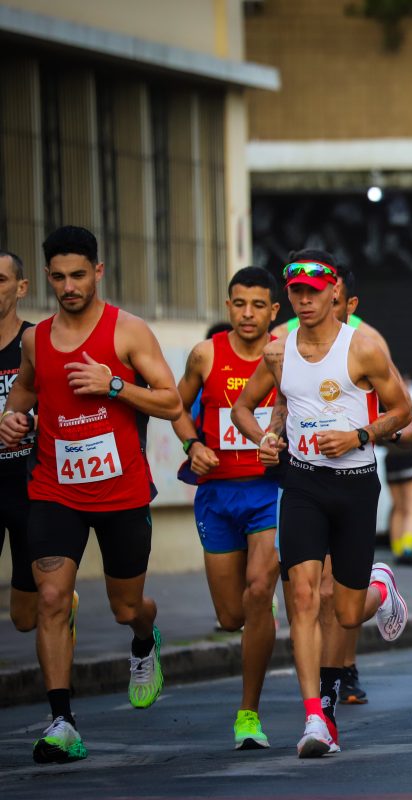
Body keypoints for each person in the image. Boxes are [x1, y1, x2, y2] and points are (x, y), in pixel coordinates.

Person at [0, 226, 184, 763]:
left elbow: (171, 402)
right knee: (51, 598)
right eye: (59, 277)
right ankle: (62, 721)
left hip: (121, 492)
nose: (69, 286)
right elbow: (25, 389)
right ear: (47, 277)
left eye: (78, 275)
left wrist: (114, 385)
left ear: (98, 272)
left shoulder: (127, 331)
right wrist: (12, 417)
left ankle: (145, 639)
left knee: (126, 607)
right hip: (54, 488)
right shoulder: (36, 339)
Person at [232, 253, 412, 758]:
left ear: (335, 291)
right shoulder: (277, 352)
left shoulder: (364, 347)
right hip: (304, 485)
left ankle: (381, 586)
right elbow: (244, 407)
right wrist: (266, 439)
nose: (305, 300)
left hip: (355, 486)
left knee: (347, 612)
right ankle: (315, 717)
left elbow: (402, 410)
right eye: (296, 291)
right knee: (305, 599)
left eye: (314, 290)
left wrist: (359, 435)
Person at [172, 266, 282, 749]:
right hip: (217, 495)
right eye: (239, 304)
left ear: (273, 311)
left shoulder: (286, 354)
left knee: (257, 591)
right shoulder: (205, 354)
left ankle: (248, 714)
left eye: (258, 305)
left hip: (269, 492)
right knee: (231, 616)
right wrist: (192, 444)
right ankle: (259, 609)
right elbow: (175, 406)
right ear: (228, 307)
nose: (248, 314)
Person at [0, 249, 39, 635]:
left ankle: (63, 606)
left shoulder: (37, 342)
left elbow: (67, 413)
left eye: (0, 280)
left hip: (29, 489)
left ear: (21, 287)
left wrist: (31, 421)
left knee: (24, 618)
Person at [384, 434, 412, 567]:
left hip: (390, 458)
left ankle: (397, 551)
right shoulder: (409, 416)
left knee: (398, 508)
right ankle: (407, 551)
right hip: (410, 455)